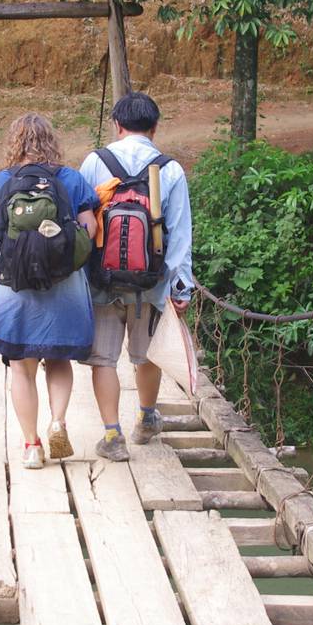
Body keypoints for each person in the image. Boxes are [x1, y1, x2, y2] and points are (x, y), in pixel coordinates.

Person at [79, 92, 194, 462]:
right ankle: (146, 419)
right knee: (146, 357)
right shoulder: (170, 169)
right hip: (152, 282)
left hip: (102, 281)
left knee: (103, 359)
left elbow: (81, 225)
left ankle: (112, 435)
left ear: (117, 124)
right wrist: (182, 287)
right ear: (155, 127)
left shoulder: (95, 162)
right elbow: (179, 234)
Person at [0, 114, 100, 469]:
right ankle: (58, 421)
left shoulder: (0, 182)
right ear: (51, 141)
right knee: (59, 359)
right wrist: (60, 255)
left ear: (13, 142)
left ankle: (32, 445)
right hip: (64, 287)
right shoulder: (71, 179)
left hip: (14, 289)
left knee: (21, 368)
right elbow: (91, 229)